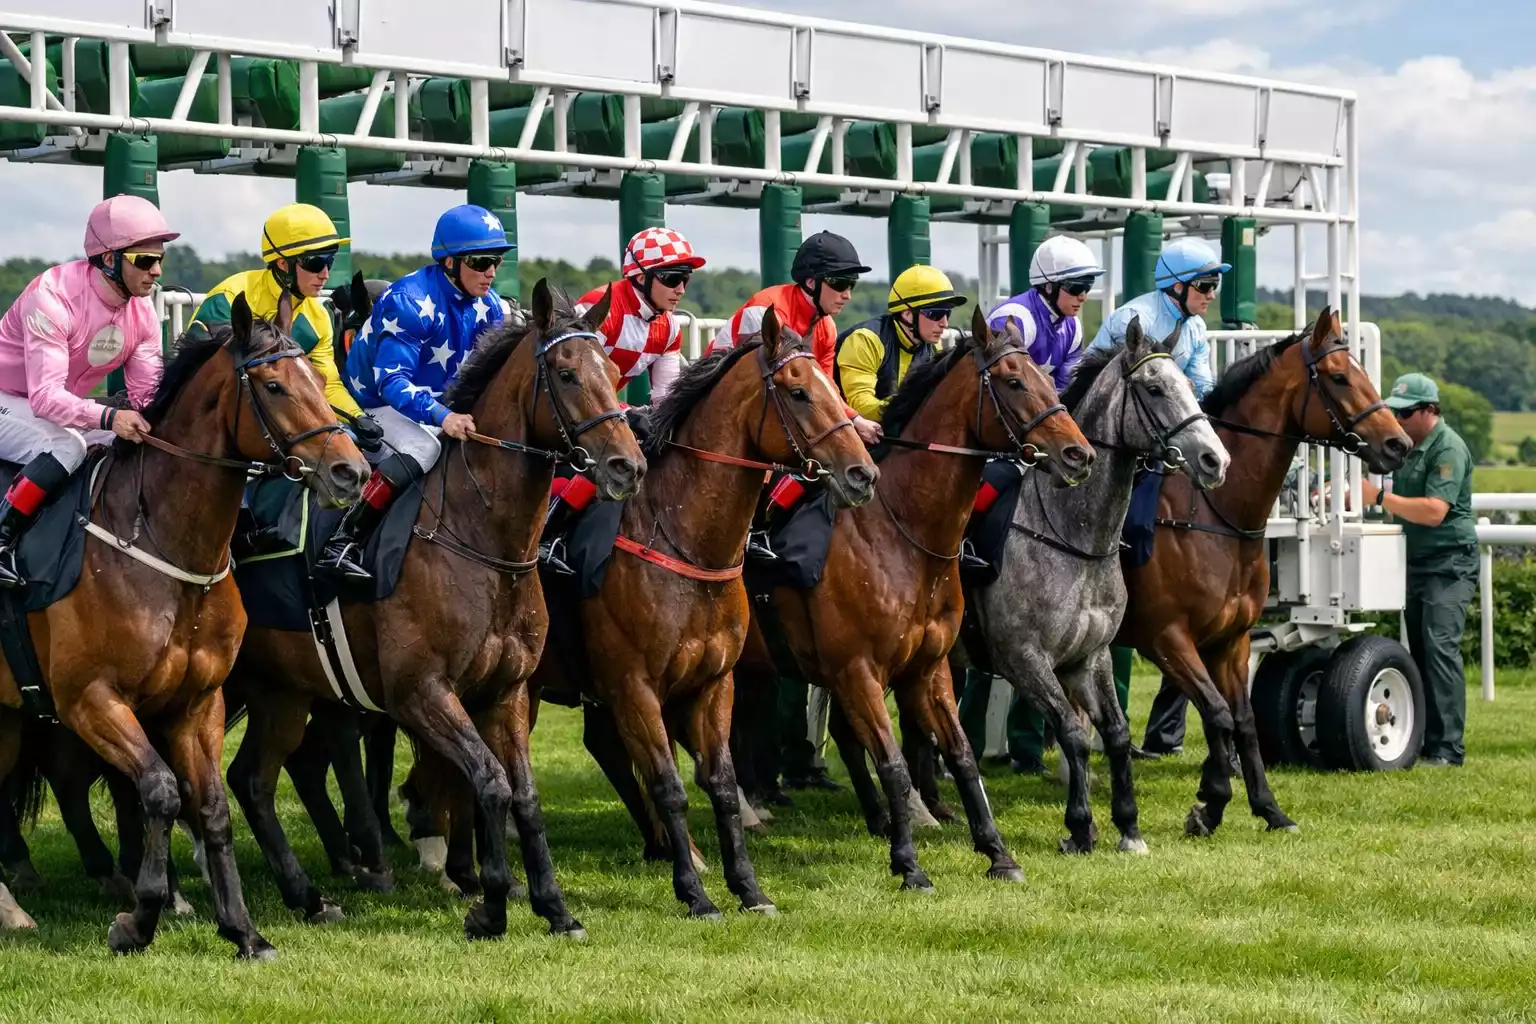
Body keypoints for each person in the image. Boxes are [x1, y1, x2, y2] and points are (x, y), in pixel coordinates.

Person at [957, 236, 1107, 772]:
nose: (1082, 296)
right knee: (989, 491)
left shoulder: (1069, 326)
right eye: (1075, 287)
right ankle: (962, 552)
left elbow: (1064, 388)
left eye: (1088, 287)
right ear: (1047, 285)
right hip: (996, 436)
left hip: (1035, 436)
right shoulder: (1014, 317)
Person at [314, 204, 513, 581]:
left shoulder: (491, 307)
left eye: (498, 260)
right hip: (375, 403)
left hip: (431, 403)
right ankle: (344, 539)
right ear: (450, 263)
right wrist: (443, 417)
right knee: (426, 448)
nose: (491, 271)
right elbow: (392, 383)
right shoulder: (410, 301)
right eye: (482, 260)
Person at [1091, 236, 1230, 757]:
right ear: (1176, 285)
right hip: (1118, 447)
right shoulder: (1137, 319)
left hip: (1164, 445)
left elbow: (1200, 389)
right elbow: (1103, 388)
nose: (1212, 293)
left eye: (1215, 285)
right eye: (1205, 284)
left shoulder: (1193, 326)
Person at [0, 196, 178, 587]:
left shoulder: (142, 312)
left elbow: (147, 396)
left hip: (53, 406)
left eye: (160, 259)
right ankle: (3, 539)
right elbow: (45, 398)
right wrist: (112, 416)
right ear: (110, 259)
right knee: (69, 447)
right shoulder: (51, 296)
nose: (156, 271)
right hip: (10, 400)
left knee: (141, 440)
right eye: (145, 260)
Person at [1362, 373, 1476, 767]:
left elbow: (1433, 511)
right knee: (1422, 650)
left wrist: (1377, 496)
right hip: (1416, 562)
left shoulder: (1448, 449)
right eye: (1396, 411)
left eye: (1407, 412)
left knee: (1440, 647)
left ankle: (1448, 749)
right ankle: (1426, 741)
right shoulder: (1410, 445)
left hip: (1450, 563)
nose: (1401, 418)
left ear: (1430, 411)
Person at [188, 203, 368, 426]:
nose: (325, 274)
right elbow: (199, 379)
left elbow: (327, 384)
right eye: (316, 263)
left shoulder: (319, 318)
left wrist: (357, 417)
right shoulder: (230, 297)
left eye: (329, 261)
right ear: (283, 263)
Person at [710, 231, 880, 445]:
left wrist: (855, 420)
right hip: (721, 409)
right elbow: (754, 390)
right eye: (839, 283)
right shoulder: (765, 312)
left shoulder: (827, 327)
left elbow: (825, 388)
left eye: (851, 284)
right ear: (810, 282)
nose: (847, 295)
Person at [574, 226, 705, 406]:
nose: (681, 289)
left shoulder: (670, 329)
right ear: (642, 278)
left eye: (685, 279)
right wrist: (629, 413)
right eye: (672, 279)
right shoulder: (599, 308)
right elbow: (577, 388)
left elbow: (665, 399)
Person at [833, 263, 967, 422]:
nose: (944, 323)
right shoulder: (865, 340)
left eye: (947, 313)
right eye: (936, 314)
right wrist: (912, 403)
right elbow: (861, 406)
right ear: (908, 315)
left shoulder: (932, 347)